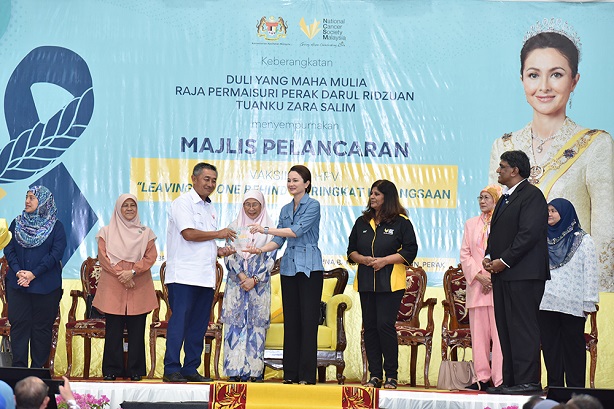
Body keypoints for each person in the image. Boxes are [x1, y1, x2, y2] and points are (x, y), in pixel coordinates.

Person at [489, 19, 613, 292]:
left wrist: (597, 289)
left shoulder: (595, 145)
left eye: (556, 74)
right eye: (534, 75)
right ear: (522, 79)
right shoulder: (504, 145)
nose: (544, 86)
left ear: (574, 80)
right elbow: (493, 219)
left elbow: (606, 229)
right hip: (514, 277)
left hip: (569, 282)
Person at [246, 165, 323, 385]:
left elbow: (296, 231)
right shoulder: (285, 209)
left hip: (309, 268)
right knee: (292, 321)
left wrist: (264, 229)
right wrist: (260, 249)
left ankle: (307, 375)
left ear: (306, 183)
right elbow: (279, 240)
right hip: (289, 267)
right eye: (289, 180)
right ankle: (291, 374)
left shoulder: (313, 205)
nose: (291, 184)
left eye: (296, 180)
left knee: (308, 321)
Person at [483, 150, 549, 395]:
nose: (498, 170)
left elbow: (528, 234)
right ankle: (511, 381)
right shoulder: (505, 197)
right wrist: (489, 256)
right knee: (506, 327)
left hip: (524, 274)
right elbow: (498, 234)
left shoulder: (532, 195)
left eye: (502, 166)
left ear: (515, 170)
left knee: (523, 327)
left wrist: (504, 261)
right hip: (504, 274)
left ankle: (528, 381)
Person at [163, 162, 236, 383]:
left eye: (214, 180)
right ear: (194, 179)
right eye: (206, 179)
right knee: (179, 323)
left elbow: (204, 241)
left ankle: (190, 368)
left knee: (198, 325)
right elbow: (188, 234)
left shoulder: (209, 208)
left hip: (205, 277)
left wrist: (219, 250)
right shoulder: (182, 203)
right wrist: (218, 234)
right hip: (183, 276)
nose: (210, 184)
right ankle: (171, 369)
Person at [347, 179, 418, 390]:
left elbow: (410, 250)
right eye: (371, 193)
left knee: (384, 326)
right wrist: (362, 259)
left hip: (391, 284)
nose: (372, 197)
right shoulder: (362, 221)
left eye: (377, 194)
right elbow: (351, 250)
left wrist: (385, 261)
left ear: (387, 197)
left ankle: (391, 375)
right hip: (366, 282)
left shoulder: (401, 222)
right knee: (370, 327)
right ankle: (375, 375)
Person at [92, 194, 158, 381]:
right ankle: (111, 369)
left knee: (137, 330)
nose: (129, 209)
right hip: (113, 285)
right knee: (113, 330)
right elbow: (103, 257)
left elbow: (151, 257)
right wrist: (122, 274)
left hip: (139, 283)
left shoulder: (146, 233)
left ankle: (136, 370)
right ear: (118, 209)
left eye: (133, 205)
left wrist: (133, 272)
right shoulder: (106, 232)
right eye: (125, 205)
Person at [3, 186, 66, 368]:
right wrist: (18, 271)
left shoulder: (56, 226)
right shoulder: (17, 223)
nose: (27, 201)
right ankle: (19, 371)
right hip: (18, 285)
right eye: (26, 197)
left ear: (44, 202)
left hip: (46, 286)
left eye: (32, 198)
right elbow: (9, 249)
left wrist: (33, 274)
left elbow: (55, 254)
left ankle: (38, 372)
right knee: (19, 327)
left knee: (41, 329)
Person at [539, 198, 598, 388]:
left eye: (553, 210)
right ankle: (555, 388)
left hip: (572, 304)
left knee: (573, 349)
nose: (549, 214)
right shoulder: (541, 238)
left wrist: (589, 301)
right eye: (547, 210)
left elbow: (590, 272)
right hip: (546, 302)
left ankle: (575, 390)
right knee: (551, 348)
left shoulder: (583, 240)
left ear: (565, 213)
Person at [221, 190, 276, 382]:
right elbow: (228, 255)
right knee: (234, 326)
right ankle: (234, 371)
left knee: (256, 327)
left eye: (255, 204)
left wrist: (255, 279)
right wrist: (242, 275)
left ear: (262, 206)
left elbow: (271, 259)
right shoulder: (233, 228)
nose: (251, 208)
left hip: (258, 287)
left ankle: (254, 372)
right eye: (247, 204)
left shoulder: (269, 230)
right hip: (236, 285)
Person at [459, 185, 503, 391]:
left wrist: (491, 278)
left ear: (496, 200)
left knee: (500, 336)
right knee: (479, 337)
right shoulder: (471, 224)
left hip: (498, 284)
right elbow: (465, 254)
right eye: (480, 197)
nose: (482, 201)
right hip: (477, 285)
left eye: (487, 198)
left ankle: (500, 379)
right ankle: (482, 378)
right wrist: (480, 277)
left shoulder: (504, 223)